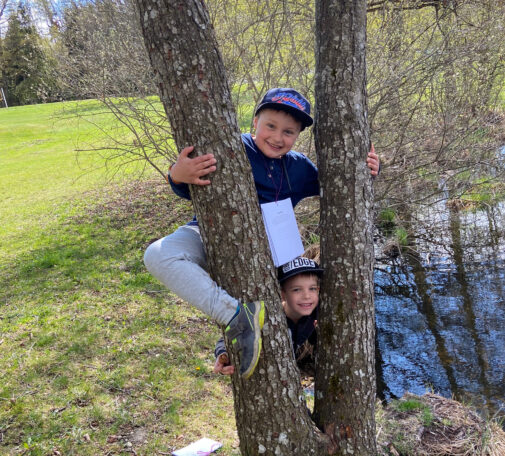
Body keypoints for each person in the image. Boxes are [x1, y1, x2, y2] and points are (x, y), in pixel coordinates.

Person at [143, 88, 380, 379]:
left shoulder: (299, 167)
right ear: (255, 121)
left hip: (265, 253)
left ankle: (241, 349)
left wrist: (366, 170)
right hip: (208, 235)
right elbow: (188, 180)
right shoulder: (232, 148)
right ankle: (234, 316)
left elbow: (338, 184)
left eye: (289, 132)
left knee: (298, 303)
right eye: (270, 126)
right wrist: (177, 174)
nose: (278, 138)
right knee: (157, 254)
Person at [213, 256, 323, 376]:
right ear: (282, 294)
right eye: (296, 290)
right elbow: (228, 337)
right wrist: (222, 354)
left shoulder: (313, 311)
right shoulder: (269, 316)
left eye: (312, 288)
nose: (307, 296)